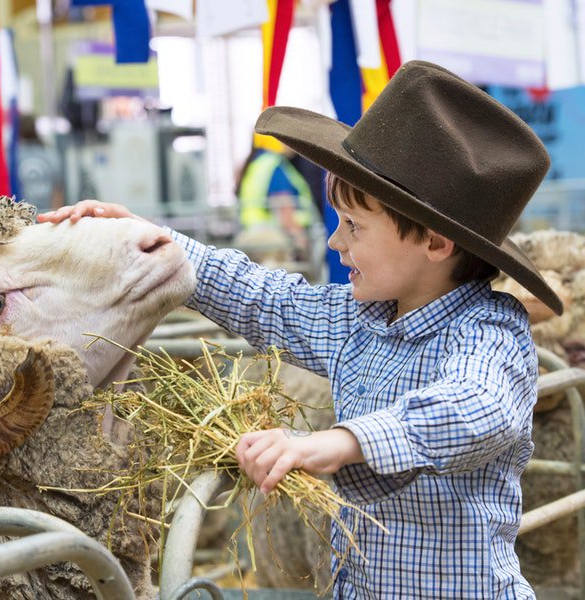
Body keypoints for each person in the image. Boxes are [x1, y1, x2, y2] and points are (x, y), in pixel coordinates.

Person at [39, 60, 563, 598]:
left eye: (354, 226)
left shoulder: (491, 333)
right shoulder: (359, 320)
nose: (336, 243)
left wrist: (341, 441)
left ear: (434, 243)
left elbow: (478, 407)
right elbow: (267, 301)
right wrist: (156, 244)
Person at [235, 136, 317, 263]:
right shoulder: (274, 165)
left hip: (251, 234)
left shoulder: (258, 162)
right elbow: (284, 211)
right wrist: (301, 241)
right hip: (272, 239)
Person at [16, 114, 64, 211]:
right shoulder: (50, 153)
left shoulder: (14, 156)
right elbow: (58, 189)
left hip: (21, 215)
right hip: (47, 213)